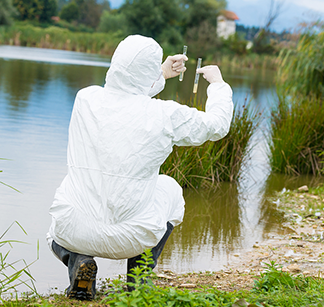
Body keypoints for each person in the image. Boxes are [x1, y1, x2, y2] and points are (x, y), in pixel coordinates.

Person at [47, 35, 233, 300]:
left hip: (74, 232)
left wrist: (160, 74)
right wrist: (218, 85)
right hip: (131, 239)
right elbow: (217, 125)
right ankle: (137, 281)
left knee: (66, 194)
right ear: (147, 72)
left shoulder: (85, 99)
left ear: (115, 64)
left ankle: (78, 261)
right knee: (169, 188)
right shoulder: (164, 114)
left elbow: (121, 95)